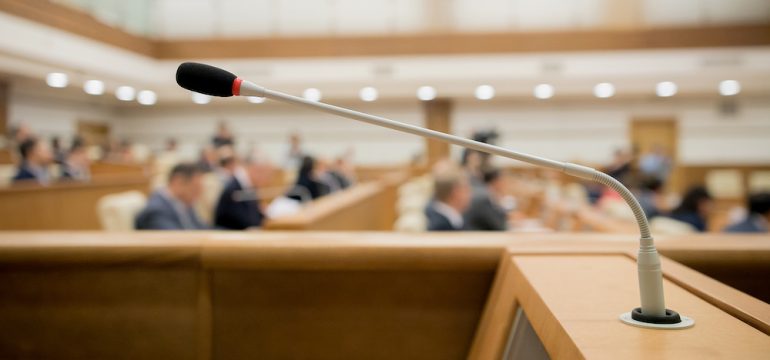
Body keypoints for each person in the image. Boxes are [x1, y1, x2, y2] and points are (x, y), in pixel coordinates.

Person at [135, 163, 207, 230]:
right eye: (195, 188)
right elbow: (176, 239)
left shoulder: (183, 203)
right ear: (178, 182)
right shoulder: (156, 211)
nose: (199, 193)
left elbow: (200, 227)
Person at [214, 157, 275, 230]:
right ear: (256, 171)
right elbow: (247, 221)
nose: (268, 180)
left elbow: (253, 214)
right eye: (267, 176)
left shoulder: (247, 185)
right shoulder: (235, 189)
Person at [424, 161, 472, 231]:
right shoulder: (440, 227)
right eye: (466, 189)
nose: (470, 194)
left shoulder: (454, 219)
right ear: (456, 192)